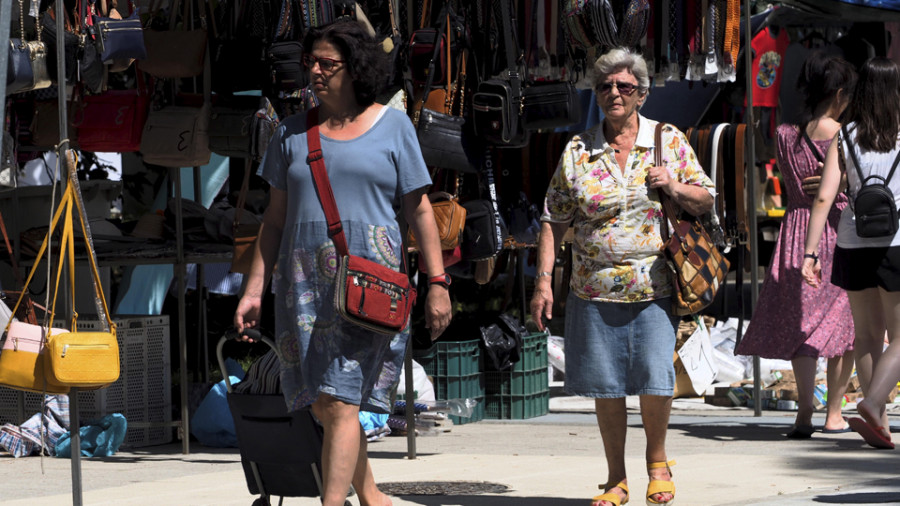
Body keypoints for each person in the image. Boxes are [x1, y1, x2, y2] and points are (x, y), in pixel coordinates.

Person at [233, 19, 452, 506]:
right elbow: (272, 222)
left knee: (338, 398)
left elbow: (419, 209)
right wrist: (252, 289)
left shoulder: (394, 126)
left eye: (326, 64)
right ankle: (373, 495)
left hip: (369, 287)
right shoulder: (290, 134)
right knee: (325, 405)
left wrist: (438, 282)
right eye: (310, 62)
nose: (314, 71)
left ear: (355, 69)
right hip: (304, 287)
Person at [530, 47, 715, 506]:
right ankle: (616, 479)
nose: (614, 93)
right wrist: (542, 282)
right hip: (592, 290)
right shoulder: (579, 149)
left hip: (654, 286)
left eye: (624, 86)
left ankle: (657, 462)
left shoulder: (667, 139)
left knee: (655, 379)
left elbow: (706, 197)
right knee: (606, 385)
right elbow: (553, 218)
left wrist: (671, 186)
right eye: (606, 86)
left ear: (642, 94)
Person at [736, 52, 858, 439]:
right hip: (837, 231)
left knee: (802, 327)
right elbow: (845, 187)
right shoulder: (844, 135)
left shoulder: (786, 135)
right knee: (845, 328)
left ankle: (804, 411)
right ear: (840, 93)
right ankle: (834, 413)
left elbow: (795, 182)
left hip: (795, 231)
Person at [802, 57, 900, 450]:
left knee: (868, 337)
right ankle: (874, 403)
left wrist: (810, 253)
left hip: (852, 241)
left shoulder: (845, 136)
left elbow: (825, 195)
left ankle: (880, 424)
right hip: (895, 243)